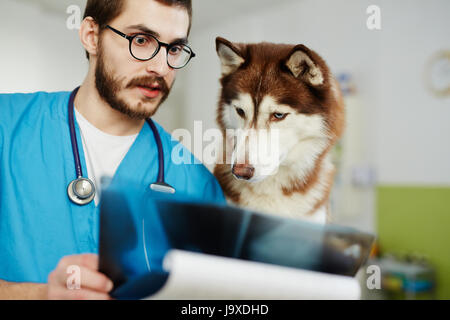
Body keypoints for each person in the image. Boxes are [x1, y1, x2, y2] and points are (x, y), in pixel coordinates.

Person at [0, 0, 224, 300]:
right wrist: (41, 296)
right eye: (141, 40)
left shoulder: (198, 186)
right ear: (91, 36)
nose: (160, 67)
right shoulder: (7, 125)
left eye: (173, 49)